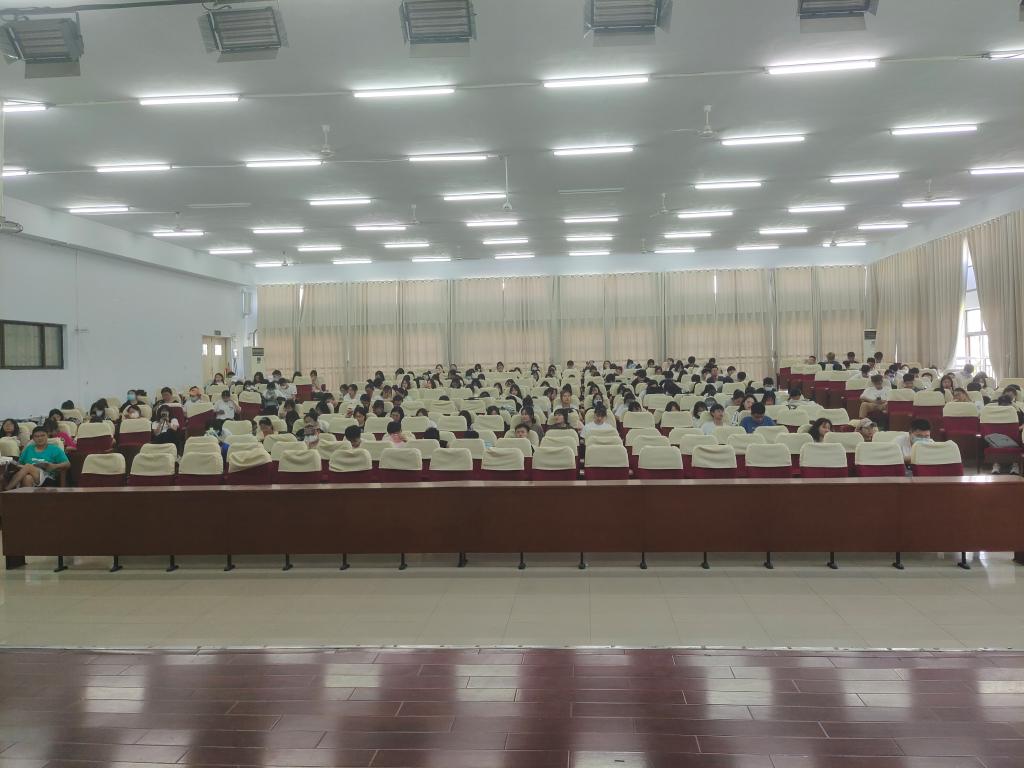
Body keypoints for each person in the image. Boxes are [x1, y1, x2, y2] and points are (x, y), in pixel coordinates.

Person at [5, 426, 70, 490]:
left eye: (42, 435)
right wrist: (20, 466)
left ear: (47, 436)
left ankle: (7, 490)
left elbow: (67, 464)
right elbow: (20, 464)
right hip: (28, 475)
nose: (40, 438)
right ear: (33, 438)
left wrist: (54, 466)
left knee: (28, 466)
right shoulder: (29, 449)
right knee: (28, 478)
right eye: (36, 436)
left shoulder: (55, 449)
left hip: (48, 477)